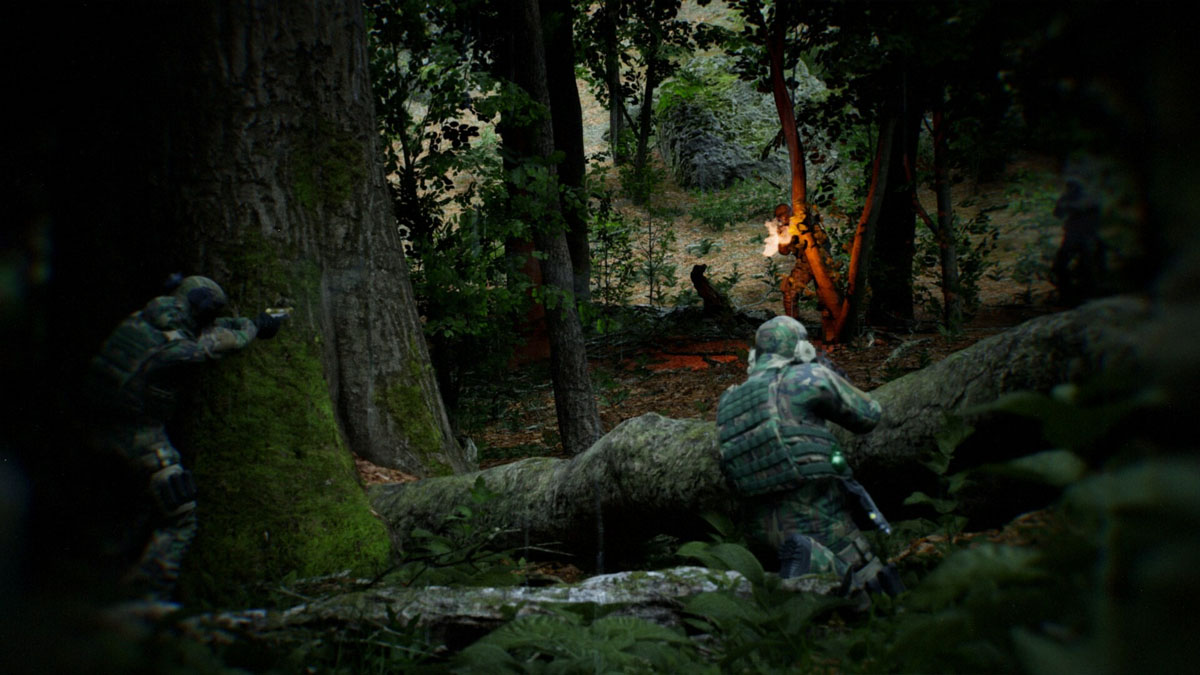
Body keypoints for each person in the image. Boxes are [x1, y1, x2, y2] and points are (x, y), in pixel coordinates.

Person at [86, 275, 283, 600]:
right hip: (139, 439)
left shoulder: (142, 320)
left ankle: (99, 579)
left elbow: (206, 329)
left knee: (127, 508)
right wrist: (256, 328)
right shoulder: (176, 345)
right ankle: (146, 599)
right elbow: (218, 344)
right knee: (181, 514)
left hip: (97, 432)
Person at [717, 316, 901, 597]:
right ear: (802, 349)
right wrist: (832, 377)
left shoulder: (729, 401)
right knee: (869, 581)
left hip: (756, 528)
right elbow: (869, 415)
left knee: (790, 606)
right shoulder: (807, 376)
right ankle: (811, 562)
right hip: (814, 514)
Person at [1051, 177, 1106, 305]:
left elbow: (1085, 207)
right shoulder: (1069, 198)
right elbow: (1057, 213)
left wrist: (1066, 204)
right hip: (1072, 237)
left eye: (1071, 187)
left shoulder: (1088, 198)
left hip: (1086, 237)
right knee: (1060, 266)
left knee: (1087, 267)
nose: (1069, 189)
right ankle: (1068, 296)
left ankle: (1089, 296)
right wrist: (1063, 202)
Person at [773, 204, 816, 320]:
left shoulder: (802, 220)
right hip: (804, 263)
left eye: (786, 213)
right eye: (780, 216)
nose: (784, 218)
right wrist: (781, 234)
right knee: (788, 291)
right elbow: (784, 251)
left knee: (828, 297)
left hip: (815, 262)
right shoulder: (787, 227)